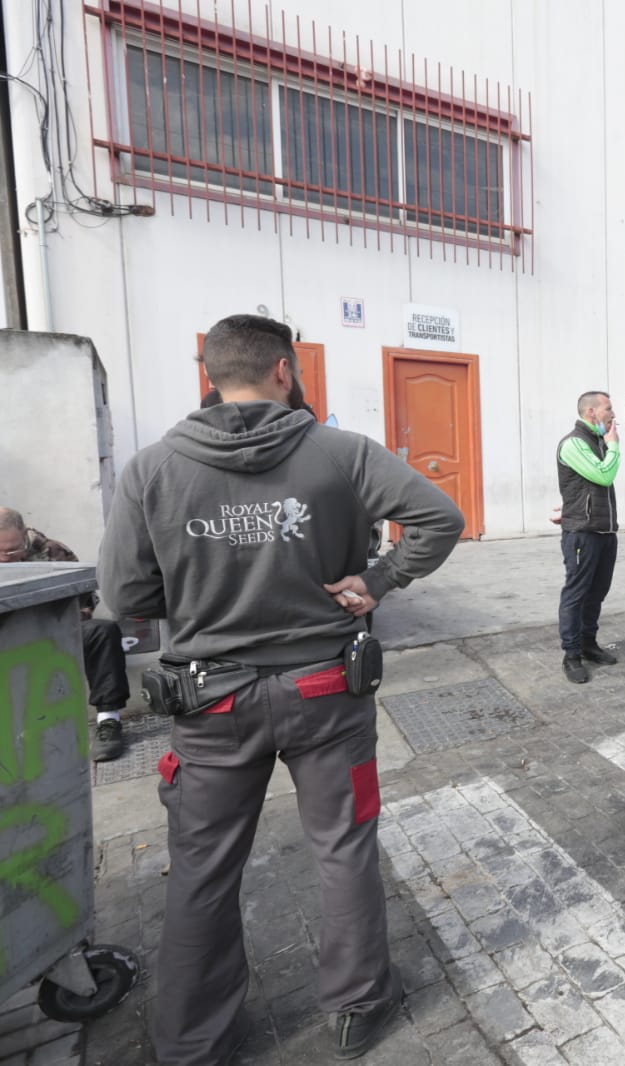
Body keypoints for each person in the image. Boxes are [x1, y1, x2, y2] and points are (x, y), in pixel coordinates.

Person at [99, 313, 464, 1064]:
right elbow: (439, 517)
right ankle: (359, 1008)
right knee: (343, 846)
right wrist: (378, 580)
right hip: (326, 692)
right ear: (282, 371)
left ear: (210, 376)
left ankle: (192, 1042)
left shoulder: (151, 469)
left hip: (210, 703)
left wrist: (203, 593)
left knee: (202, 869)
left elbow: (125, 595)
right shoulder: (340, 452)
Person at [0, 508, 130, 761]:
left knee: (102, 633)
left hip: (52, 636)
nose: (5, 559)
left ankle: (109, 720)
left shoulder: (53, 553)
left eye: (12, 551)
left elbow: (84, 603)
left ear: (24, 535)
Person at [556, 390, 621, 684]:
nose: (613, 414)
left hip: (605, 531)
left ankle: (588, 644)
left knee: (597, 592)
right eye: (608, 408)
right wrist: (614, 445)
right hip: (583, 533)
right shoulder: (573, 443)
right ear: (591, 412)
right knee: (577, 594)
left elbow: (586, 488)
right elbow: (604, 476)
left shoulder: (597, 442)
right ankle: (571, 655)